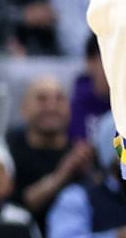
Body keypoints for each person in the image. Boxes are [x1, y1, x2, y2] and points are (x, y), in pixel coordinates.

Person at [8, 75, 94, 223]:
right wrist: (62, 174)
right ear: (23, 109)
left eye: (59, 99)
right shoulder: (7, 152)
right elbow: (20, 204)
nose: (51, 107)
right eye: (42, 99)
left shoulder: (83, 155)